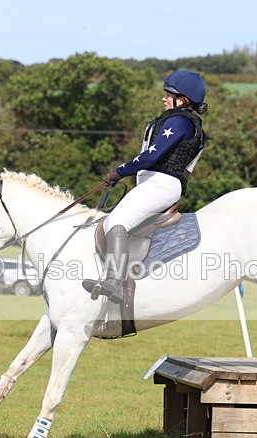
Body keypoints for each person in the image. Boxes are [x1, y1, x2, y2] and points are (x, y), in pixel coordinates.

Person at [83, 70, 209, 303]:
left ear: (182, 100)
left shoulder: (180, 121)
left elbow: (151, 156)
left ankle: (114, 281)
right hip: (156, 184)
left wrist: (120, 171)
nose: (163, 98)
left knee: (118, 221)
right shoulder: (182, 121)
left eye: (168, 94)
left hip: (161, 183)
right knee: (116, 220)